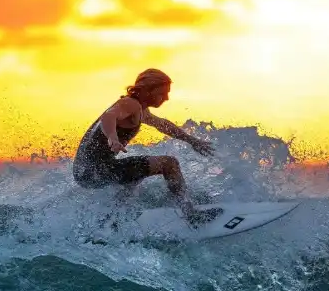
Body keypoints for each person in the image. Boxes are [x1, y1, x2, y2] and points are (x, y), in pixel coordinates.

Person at [72, 68, 220, 225]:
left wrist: (192, 140)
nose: (166, 98)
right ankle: (190, 213)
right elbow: (108, 116)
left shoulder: (140, 109)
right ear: (147, 90)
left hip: (86, 172)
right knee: (169, 163)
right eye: (162, 93)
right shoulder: (130, 104)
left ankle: (112, 221)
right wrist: (113, 138)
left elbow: (162, 124)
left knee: (135, 175)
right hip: (95, 170)